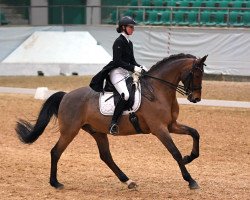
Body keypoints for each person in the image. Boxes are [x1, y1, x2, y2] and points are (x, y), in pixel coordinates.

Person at [89, 16, 147, 135]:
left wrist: (140, 67)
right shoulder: (118, 42)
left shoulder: (129, 43)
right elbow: (117, 62)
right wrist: (133, 68)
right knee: (125, 95)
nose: (133, 29)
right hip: (116, 73)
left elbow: (132, 61)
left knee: (136, 90)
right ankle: (113, 123)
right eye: (131, 27)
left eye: (133, 27)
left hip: (125, 73)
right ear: (123, 27)